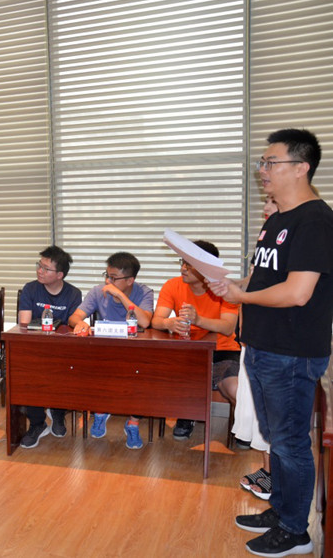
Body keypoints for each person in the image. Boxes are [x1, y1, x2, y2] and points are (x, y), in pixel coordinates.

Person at [210, 129, 332, 557]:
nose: (262, 170)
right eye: (262, 162)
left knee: (291, 442)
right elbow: (264, 277)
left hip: (292, 353)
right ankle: (281, 511)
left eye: (270, 162)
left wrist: (242, 297)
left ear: (301, 168)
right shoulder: (278, 218)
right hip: (263, 347)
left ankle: (296, 532)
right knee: (276, 439)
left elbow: (298, 292)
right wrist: (233, 285)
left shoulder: (314, 221)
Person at [151, 240, 240, 441]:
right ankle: (187, 415)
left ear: (207, 268)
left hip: (222, 350)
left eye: (189, 265)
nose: (183, 268)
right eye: (183, 262)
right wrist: (169, 323)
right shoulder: (172, 285)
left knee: (235, 389)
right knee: (172, 376)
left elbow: (228, 328)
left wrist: (198, 320)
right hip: (187, 350)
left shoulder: (224, 289)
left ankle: (241, 427)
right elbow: (156, 321)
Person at [68, 252, 154, 449]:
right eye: (107, 275)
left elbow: (144, 322)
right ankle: (100, 411)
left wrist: (120, 295)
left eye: (114, 278)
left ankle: (132, 423)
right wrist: (80, 323)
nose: (108, 281)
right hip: (105, 352)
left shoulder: (144, 292)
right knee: (91, 368)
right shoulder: (98, 291)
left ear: (130, 280)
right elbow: (74, 317)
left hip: (135, 353)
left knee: (144, 376)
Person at [234, 196, 277, 500]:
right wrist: (228, 285)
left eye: (271, 202)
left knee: (273, 413)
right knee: (257, 411)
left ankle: (277, 478)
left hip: (275, 342)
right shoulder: (265, 240)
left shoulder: (299, 236)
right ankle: (268, 469)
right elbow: (252, 281)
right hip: (253, 338)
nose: (265, 208)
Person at [17, 246, 82, 447]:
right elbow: (24, 325)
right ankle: (37, 423)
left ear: (59, 274)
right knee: (26, 370)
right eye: (39, 266)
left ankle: (58, 412)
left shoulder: (73, 294)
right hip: (35, 348)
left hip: (61, 350)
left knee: (65, 367)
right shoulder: (30, 289)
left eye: (46, 268)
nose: (40, 271)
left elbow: (71, 328)